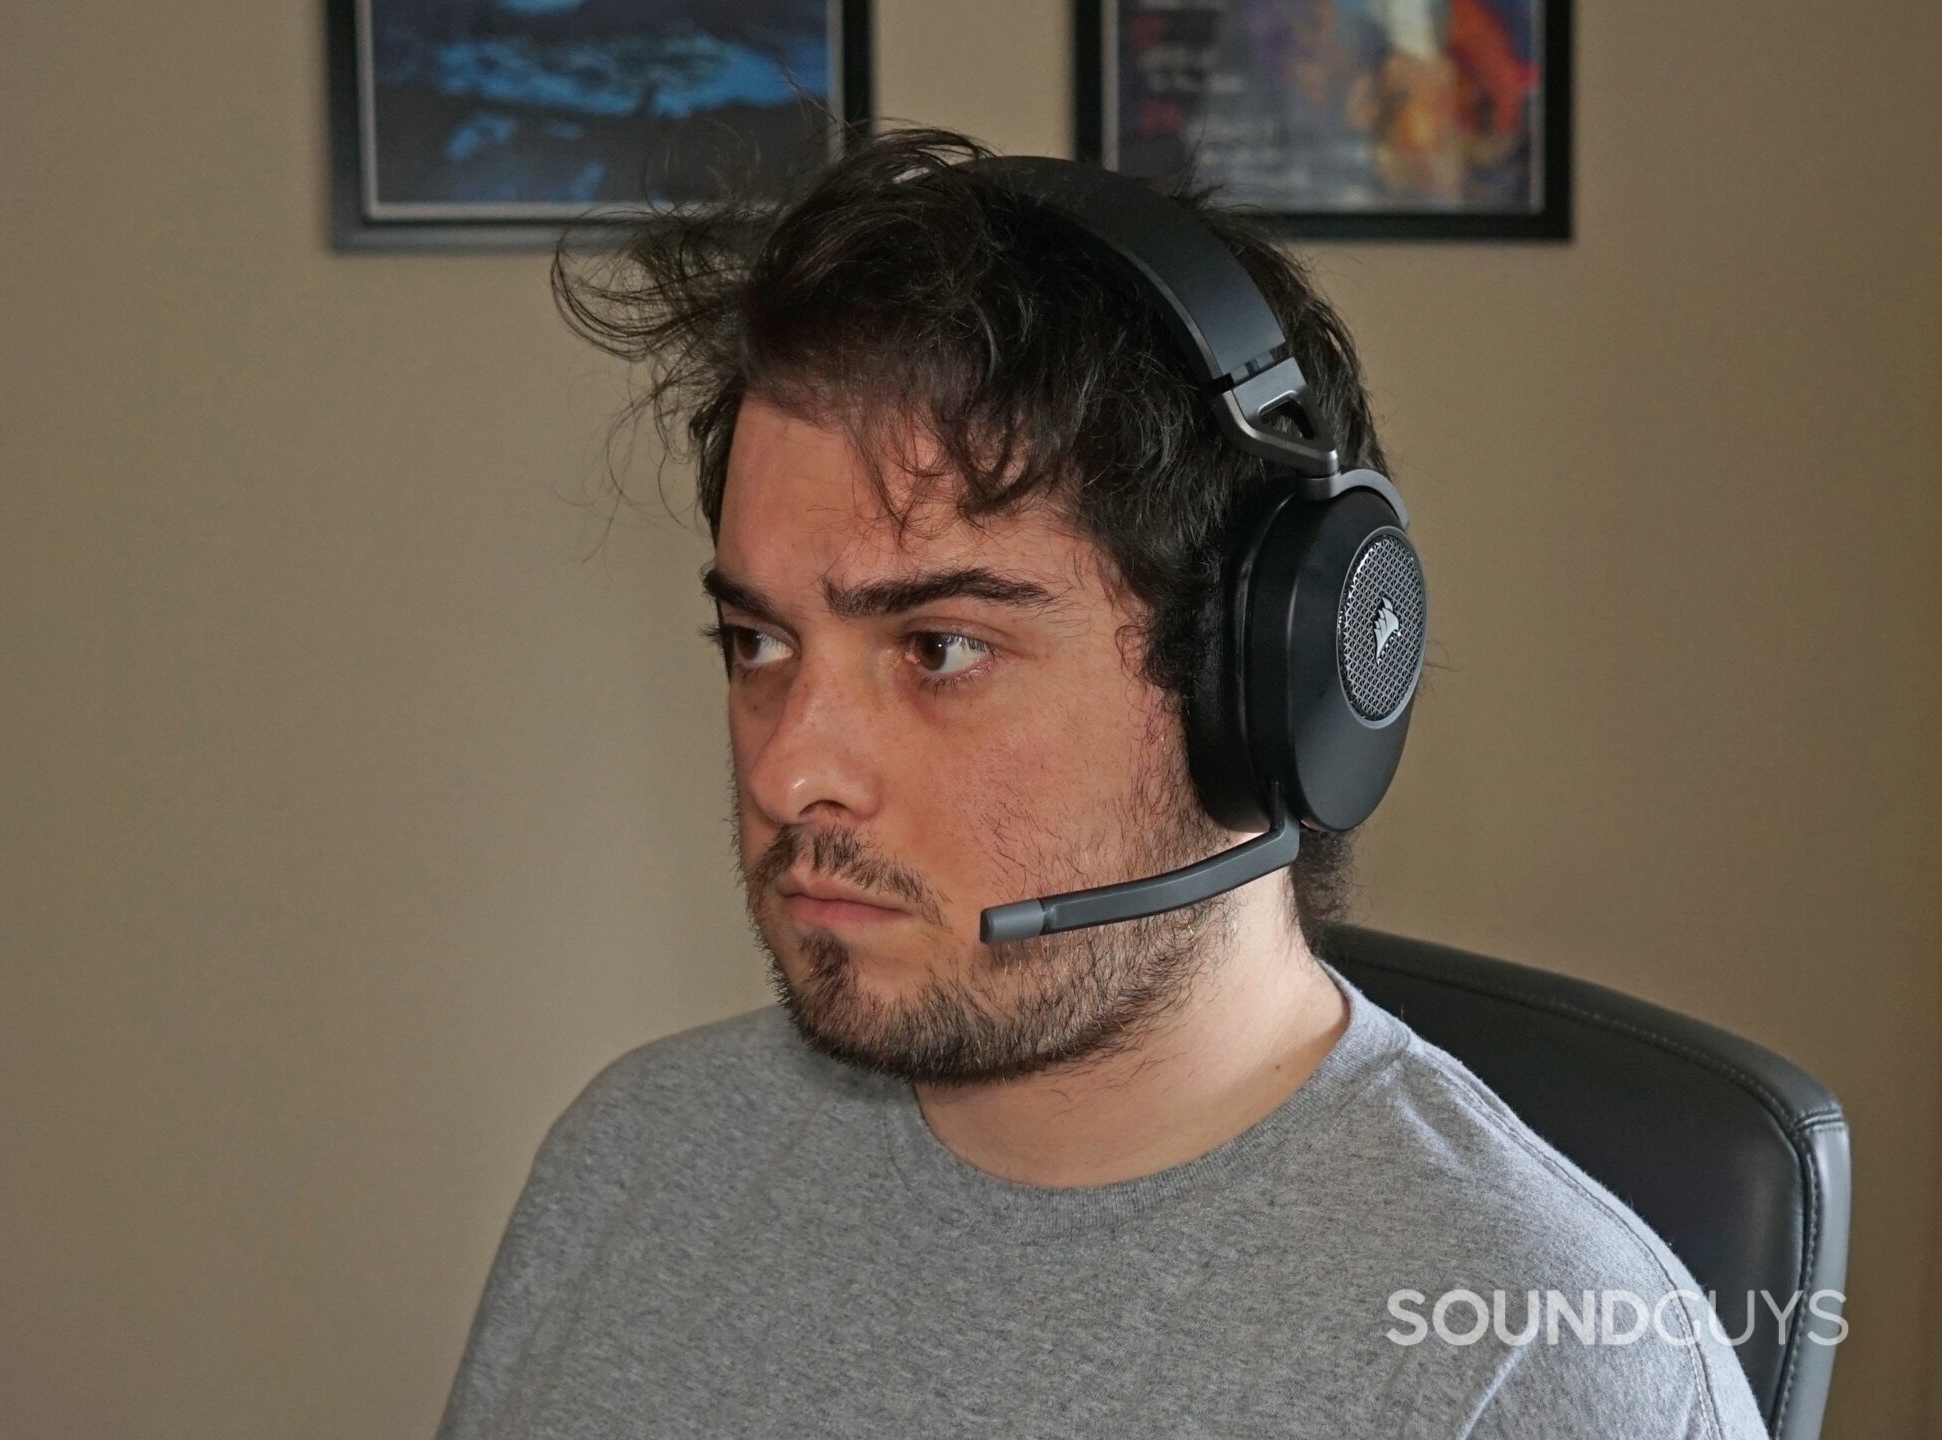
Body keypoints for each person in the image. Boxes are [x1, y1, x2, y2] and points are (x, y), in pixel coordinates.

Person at [435, 127, 1765, 1439]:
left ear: (1266, 682)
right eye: (759, 643)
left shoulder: (1534, 1369)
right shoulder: (634, 1165)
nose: (789, 770)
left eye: (938, 648)